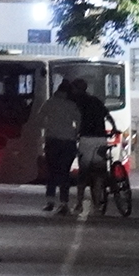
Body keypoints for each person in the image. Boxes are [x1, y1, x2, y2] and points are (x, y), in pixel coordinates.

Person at [35, 77, 92, 214]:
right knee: (64, 172)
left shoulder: (49, 103)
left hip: (52, 140)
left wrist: (48, 127)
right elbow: (79, 121)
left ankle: (50, 201)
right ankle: (64, 203)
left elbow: (39, 120)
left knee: (51, 171)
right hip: (68, 142)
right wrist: (74, 133)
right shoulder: (72, 105)